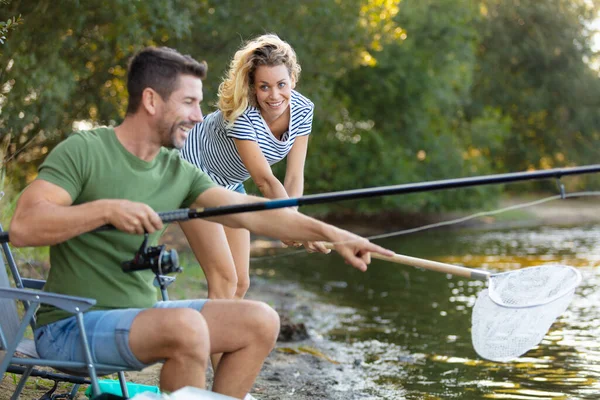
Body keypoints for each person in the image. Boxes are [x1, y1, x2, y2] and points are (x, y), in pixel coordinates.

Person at [8, 46, 393, 399]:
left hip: (141, 316)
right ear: (151, 100)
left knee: (260, 320)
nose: (198, 115)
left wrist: (334, 235)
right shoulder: (85, 150)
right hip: (72, 325)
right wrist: (105, 210)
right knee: (187, 327)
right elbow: (24, 226)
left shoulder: (176, 170)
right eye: (189, 102)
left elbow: (248, 208)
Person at [180, 34, 324, 304]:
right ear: (252, 87)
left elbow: (294, 175)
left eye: (281, 84)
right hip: (192, 174)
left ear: (293, 80)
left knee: (240, 284)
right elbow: (264, 180)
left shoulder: (303, 110)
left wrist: (293, 221)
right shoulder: (241, 113)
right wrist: (294, 226)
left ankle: (222, 346)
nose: (274, 95)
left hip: (230, 184)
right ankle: (202, 344)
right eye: (264, 86)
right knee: (225, 280)